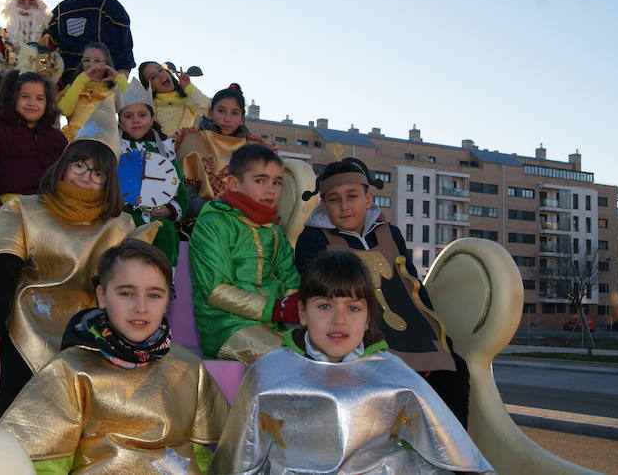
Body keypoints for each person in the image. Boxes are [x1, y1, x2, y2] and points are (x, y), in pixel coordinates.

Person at [211, 251, 493, 475]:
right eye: (324, 306)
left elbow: (452, 450)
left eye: (353, 307)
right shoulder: (268, 374)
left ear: (368, 317)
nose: (339, 319)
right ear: (302, 313)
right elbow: (238, 457)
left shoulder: (395, 375)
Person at [0, 99, 157, 417]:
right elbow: (2, 269)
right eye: (79, 165)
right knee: (18, 412)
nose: (85, 176)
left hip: (85, 332)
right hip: (27, 318)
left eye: (98, 173)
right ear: (64, 164)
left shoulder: (118, 226)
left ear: (110, 182)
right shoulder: (26, 209)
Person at [0, 240, 229, 474]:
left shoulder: (188, 367)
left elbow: (201, 455)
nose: (141, 307)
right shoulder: (72, 369)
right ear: (102, 296)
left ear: (168, 299)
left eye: (154, 295)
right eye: (126, 293)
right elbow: (46, 463)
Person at [294, 157, 471, 425]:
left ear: (367, 199)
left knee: (453, 368)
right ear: (323, 205)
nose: (344, 207)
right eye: (334, 199)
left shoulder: (391, 234)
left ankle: (453, 456)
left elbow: (412, 285)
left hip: (409, 332)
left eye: (352, 196)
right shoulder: (313, 239)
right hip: (356, 334)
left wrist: (436, 331)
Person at [189, 143, 300, 363]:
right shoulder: (213, 224)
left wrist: (296, 309)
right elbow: (216, 290)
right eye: (260, 180)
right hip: (226, 326)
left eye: (277, 182)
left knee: (323, 353)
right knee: (288, 360)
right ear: (233, 184)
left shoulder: (274, 231)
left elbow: (291, 281)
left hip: (274, 324)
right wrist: (276, 309)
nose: (271, 189)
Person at [0, 71, 67, 205]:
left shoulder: (56, 138)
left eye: (40, 98)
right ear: (13, 98)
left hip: (47, 207)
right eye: (25, 96)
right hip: (7, 205)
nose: (32, 103)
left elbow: (64, 178)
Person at [116, 77, 186, 265]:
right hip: (123, 218)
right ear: (120, 120)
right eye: (128, 116)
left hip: (158, 219)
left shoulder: (165, 148)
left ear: (152, 117)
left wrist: (170, 210)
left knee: (165, 233)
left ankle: (162, 283)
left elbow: (180, 187)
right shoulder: (114, 148)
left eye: (142, 115)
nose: (136, 120)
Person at [175, 83, 274, 217]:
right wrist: (212, 212)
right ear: (210, 113)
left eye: (234, 113)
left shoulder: (255, 149)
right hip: (198, 219)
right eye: (221, 111)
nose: (227, 119)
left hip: (243, 220)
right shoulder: (193, 140)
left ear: (242, 118)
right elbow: (183, 190)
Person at [45, 0, 134, 86]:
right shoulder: (61, 8)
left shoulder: (106, 2)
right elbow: (47, 39)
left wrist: (123, 71)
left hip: (101, 75)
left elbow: (123, 39)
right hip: (69, 78)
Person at [58, 42, 128, 141]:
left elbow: (132, 105)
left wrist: (118, 78)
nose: (91, 64)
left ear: (106, 64)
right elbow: (65, 110)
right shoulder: (74, 87)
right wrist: (81, 79)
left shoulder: (113, 91)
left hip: (105, 143)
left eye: (97, 60)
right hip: (75, 142)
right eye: (87, 60)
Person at [138, 61, 210, 136]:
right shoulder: (148, 107)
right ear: (149, 87)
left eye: (160, 70)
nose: (161, 75)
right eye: (153, 77)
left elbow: (209, 110)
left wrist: (188, 87)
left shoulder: (188, 100)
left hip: (185, 147)